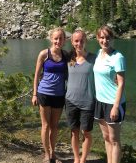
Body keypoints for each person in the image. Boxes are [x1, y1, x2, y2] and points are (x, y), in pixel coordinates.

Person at [32, 27, 68, 163]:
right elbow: (36, 75)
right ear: (51, 39)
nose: (58, 41)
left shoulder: (66, 55)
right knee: (45, 125)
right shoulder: (44, 54)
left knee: (55, 126)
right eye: (56, 38)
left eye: (61, 38)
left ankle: (53, 153)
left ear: (65, 40)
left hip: (59, 95)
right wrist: (35, 94)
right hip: (44, 93)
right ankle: (47, 155)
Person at [93, 25, 126, 163]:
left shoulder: (118, 57)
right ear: (97, 38)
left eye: (107, 37)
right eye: (101, 37)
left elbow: (121, 83)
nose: (104, 40)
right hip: (100, 101)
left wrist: (115, 106)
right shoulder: (98, 53)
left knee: (114, 140)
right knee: (106, 137)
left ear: (112, 38)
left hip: (113, 103)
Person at [65, 29, 96, 163]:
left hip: (88, 101)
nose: (79, 43)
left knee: (86, 132)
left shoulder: (93, 58)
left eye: (81, 40)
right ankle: (76, 159)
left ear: (86, 41)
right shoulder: (68, 58)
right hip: (70, 100)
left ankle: (83, 159)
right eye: (76, 41)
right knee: (74, 131)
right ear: (72, 42)